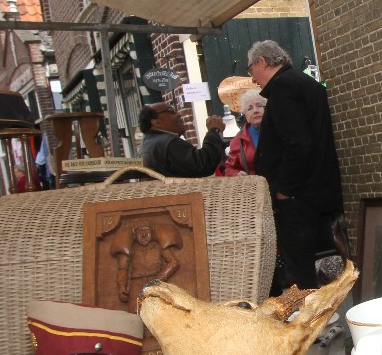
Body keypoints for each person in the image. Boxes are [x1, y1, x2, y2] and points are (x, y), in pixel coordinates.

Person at [247, 39, 343, 290]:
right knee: (319, 265)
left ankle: (309, 313)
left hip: (298, 198)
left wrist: (284, 190)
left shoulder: (283, 87)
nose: (253, 79)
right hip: (315, 190)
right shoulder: (303, 83)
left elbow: (298, 143)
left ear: (262, 62)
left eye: (251, 69)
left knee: (300, 271)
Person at [138, 103, 226, 178]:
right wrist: (214, 131)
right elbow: (203, 165)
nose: (179, 114)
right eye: (171, 111)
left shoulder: (146, 145)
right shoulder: (168, 143)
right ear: (156, 122)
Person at [217, 89, 265, 177]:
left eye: (259, 106)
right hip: (255, 184)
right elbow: (229, 168)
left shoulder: (279, 130)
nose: (255, 111)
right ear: (245, 115)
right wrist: (236, 174)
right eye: (250, 108)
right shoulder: (239, 140)